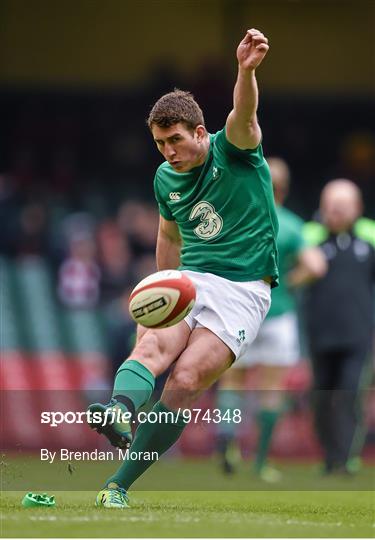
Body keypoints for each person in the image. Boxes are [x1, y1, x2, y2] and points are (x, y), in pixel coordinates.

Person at [88, 28, 278, 508]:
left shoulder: (234, 149)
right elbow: (169, 236)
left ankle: (118, 484)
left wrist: (246, 70)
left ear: (198, 132)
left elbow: (244, 113)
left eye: (175, 140)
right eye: (159, 143)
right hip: (190, 279)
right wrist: (160, 289)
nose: (168, 151)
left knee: (186, 380)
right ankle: (117, 411)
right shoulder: (164, 178)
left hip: (243, 289)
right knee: (152, 344)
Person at [216, 157, 327, 481]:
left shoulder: (236, 218)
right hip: (278, 315)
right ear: (285, 189)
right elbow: (317, 266)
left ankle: (227, 440)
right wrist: (289, 282)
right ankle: (261, 462)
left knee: (232, 381)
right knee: (272, 388)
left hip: (238, 313)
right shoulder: (291, 225)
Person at [303, 179, 375, 475]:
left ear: (357, 208)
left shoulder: (370, 238)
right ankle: (329, 454)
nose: (335, 211)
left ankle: (345, 458)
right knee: (320, 398)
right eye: (330, 205)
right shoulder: (308, 238)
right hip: (319, 334)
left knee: (349, 394)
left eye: (342, 206)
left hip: (358, 335)